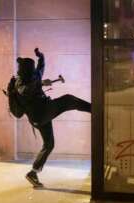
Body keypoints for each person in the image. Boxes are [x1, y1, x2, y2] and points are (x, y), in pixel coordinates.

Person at [14, 48, 91, 187]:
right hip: (42, 112)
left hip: (41, 116)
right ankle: (94, 109)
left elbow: (41, 67)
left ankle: (33, 173)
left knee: (49, 144)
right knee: (68, 100)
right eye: (31, 69)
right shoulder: (19, 82)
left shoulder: (34, 75)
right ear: (27, 69)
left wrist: (41, 56)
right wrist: (41, 83)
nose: (33, 71)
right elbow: (24, 91)